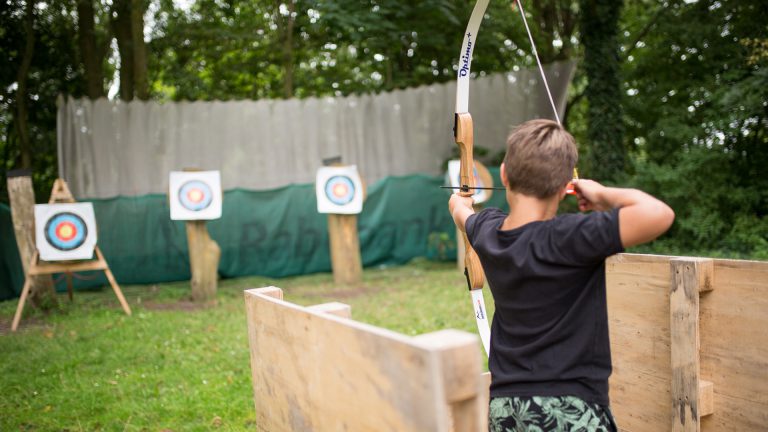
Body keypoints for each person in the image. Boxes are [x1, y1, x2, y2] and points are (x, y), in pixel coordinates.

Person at [449, 119, 674, 432]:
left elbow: (459, 210)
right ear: (566, 186)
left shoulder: (488, 232)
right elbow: (660, 214)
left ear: (504, 173)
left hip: (507, 410)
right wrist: (601, 193)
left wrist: (462, 198)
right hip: (570, 409)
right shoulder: (571, 237)